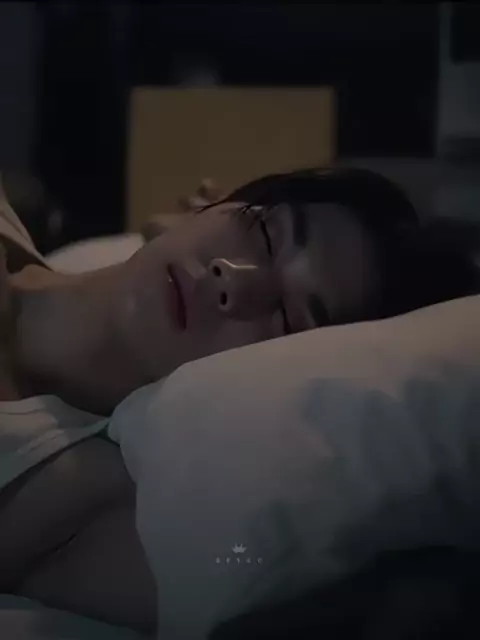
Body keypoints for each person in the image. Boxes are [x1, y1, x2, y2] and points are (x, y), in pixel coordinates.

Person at [0, 166, 479, 634]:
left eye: (290, 319)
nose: (234, 279)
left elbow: (240, 562)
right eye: (265, 234)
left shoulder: (74, 492)